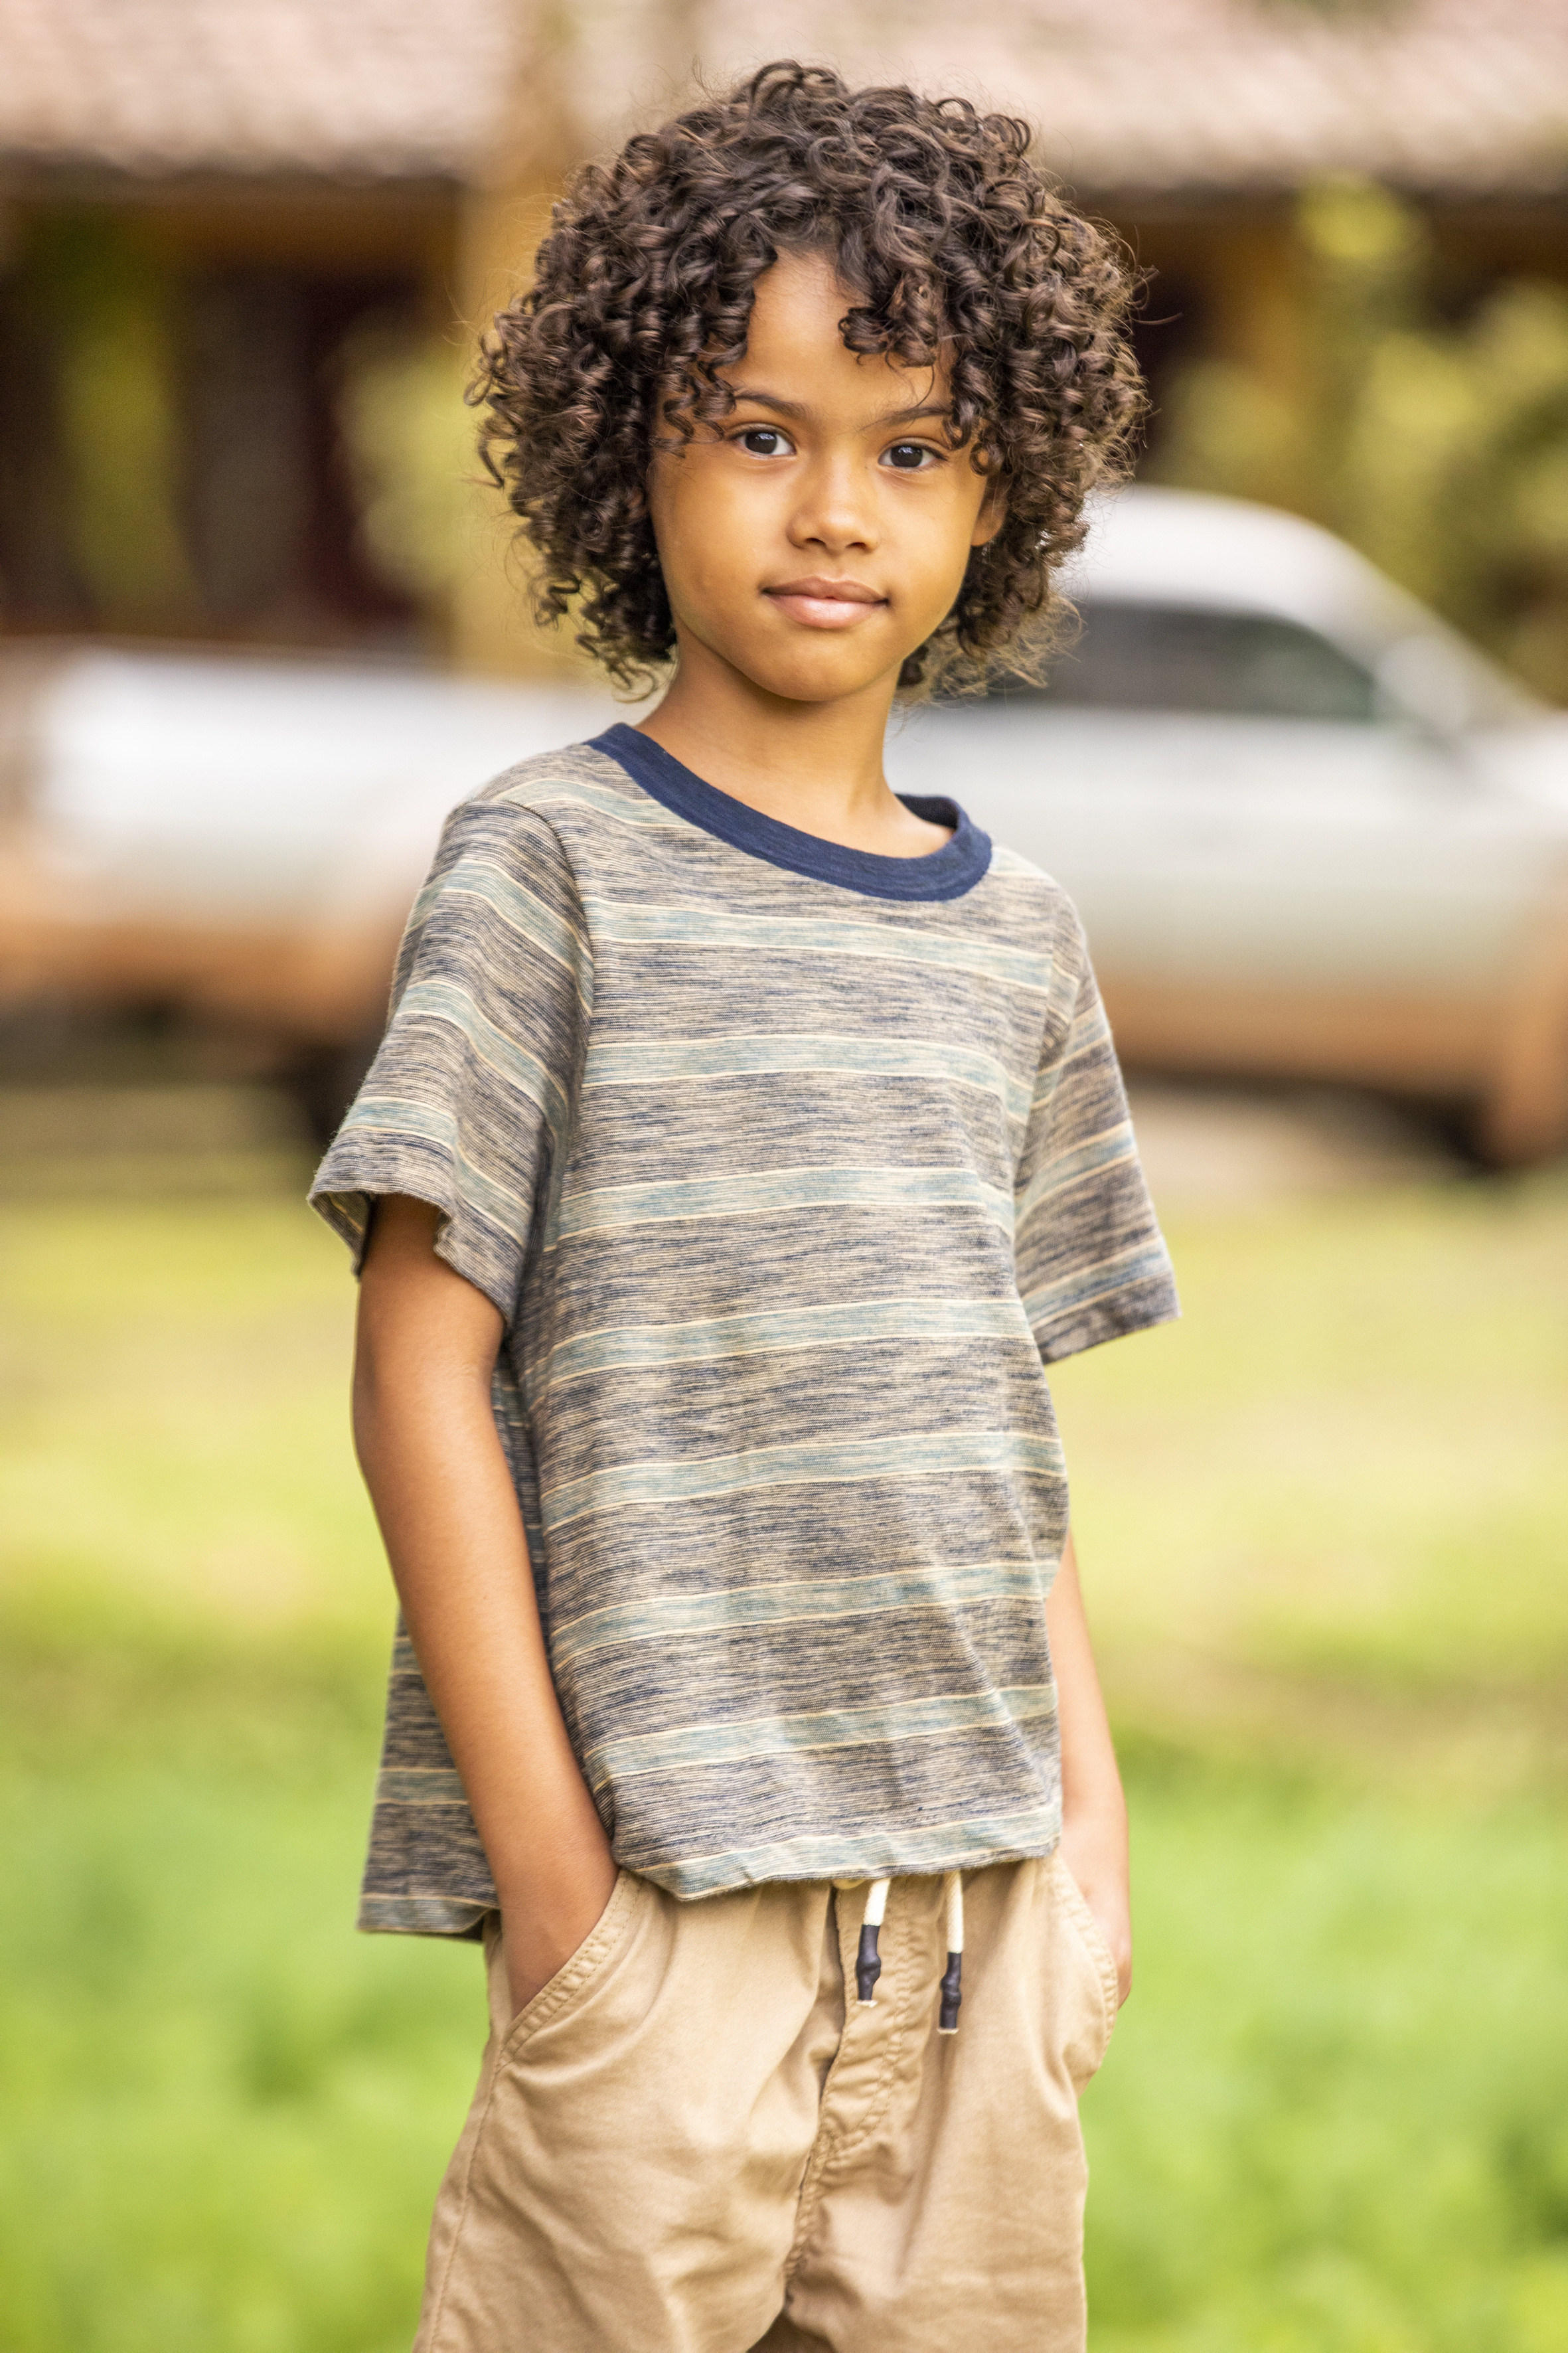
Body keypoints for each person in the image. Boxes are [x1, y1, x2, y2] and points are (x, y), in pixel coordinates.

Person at [311, 59, 1178, 2353]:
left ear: (1004, 492)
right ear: (633, 449)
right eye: (758, 426)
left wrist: (1082, 1843)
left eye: (909, 445)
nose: (833, 508)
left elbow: (1001, 1428)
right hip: (662, 1910)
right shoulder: (550, 870)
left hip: (982, 1913)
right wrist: (561, 1886)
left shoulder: (1016, 936)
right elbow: (420, 1369)